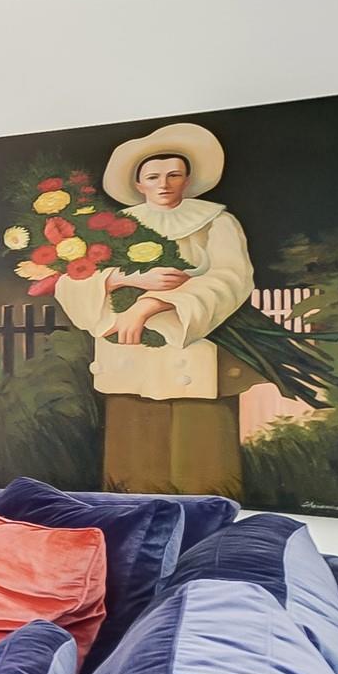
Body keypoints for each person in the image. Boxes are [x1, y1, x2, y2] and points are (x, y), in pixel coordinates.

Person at [52, 122, 254, 496]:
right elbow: (71, 280)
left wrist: (152, 304)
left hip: (193, 354)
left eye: (174, 175)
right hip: (129, 356)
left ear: (188, 180)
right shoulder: (112, 226)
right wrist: (127, 281)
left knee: (202, 470)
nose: (164, 184)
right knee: (132, 473)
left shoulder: (216, 222)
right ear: (139, 183)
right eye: (154, 176)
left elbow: (232, 278)